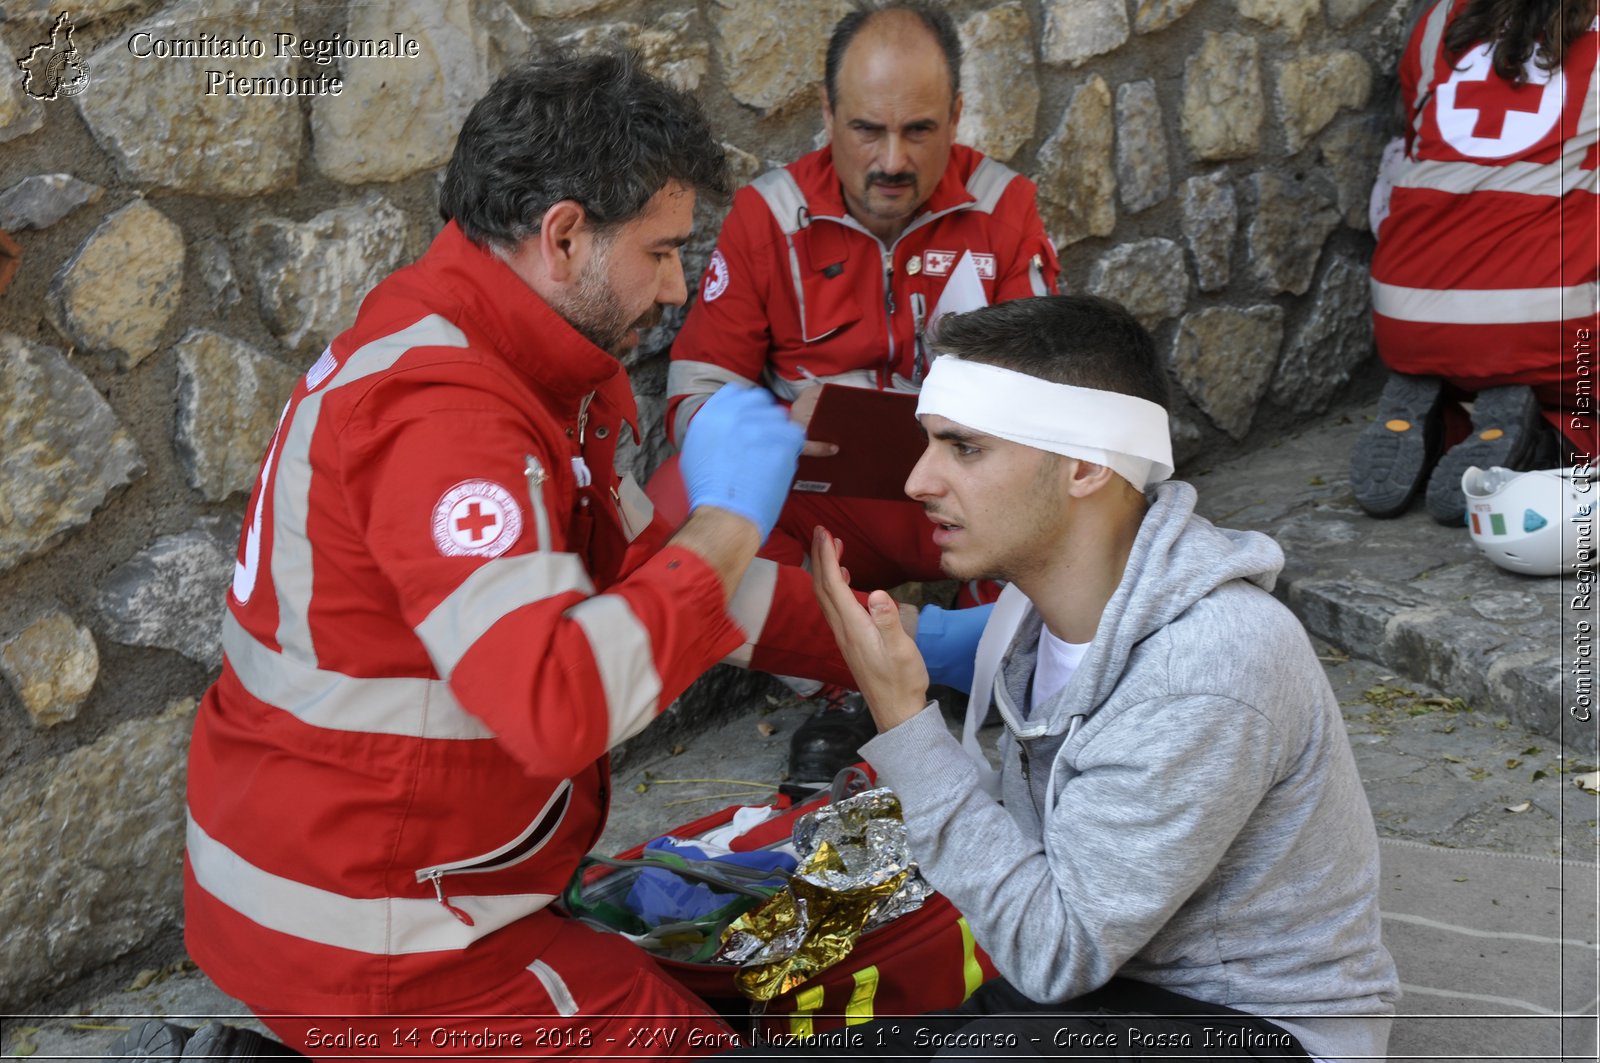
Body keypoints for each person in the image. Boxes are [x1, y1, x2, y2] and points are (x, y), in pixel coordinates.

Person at [154, 50, 863, 1063]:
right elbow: (556, 696)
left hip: (378, 883)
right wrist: (730, 521)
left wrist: (899, 639)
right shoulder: (447, 414)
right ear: (563, 235)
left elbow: (660, 585)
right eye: (661, 253)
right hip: (380, 934)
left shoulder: (507, 361)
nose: (674, 288)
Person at [803, 296, 1400, 1061]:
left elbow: (1057, 950)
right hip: (1105, 995)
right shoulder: (1030, 615)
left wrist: (904, 721)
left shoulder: (1209, 666)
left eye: (965, 448)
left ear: (1085, 463)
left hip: (1257, 1029)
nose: (920, 479)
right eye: (930, 443)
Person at [658, 1, 1059, 784]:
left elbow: (1050, 393)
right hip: (834, 505)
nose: (892, 161)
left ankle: (992, 653)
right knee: (677, 506)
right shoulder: (768, 216)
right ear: (827, 114)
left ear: (957, 117)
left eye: (919, 131)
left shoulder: (1003, 205)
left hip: (970, 497)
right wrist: (772, 429)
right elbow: (695, 389)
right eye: (867, 130)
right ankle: (849, 684)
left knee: (1073, 478)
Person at [1354, 0, 1597, 523]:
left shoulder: (1441, 17)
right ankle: (1550, 440)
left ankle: (1443, 416)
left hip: (1407, 311)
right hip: (1550, 321)